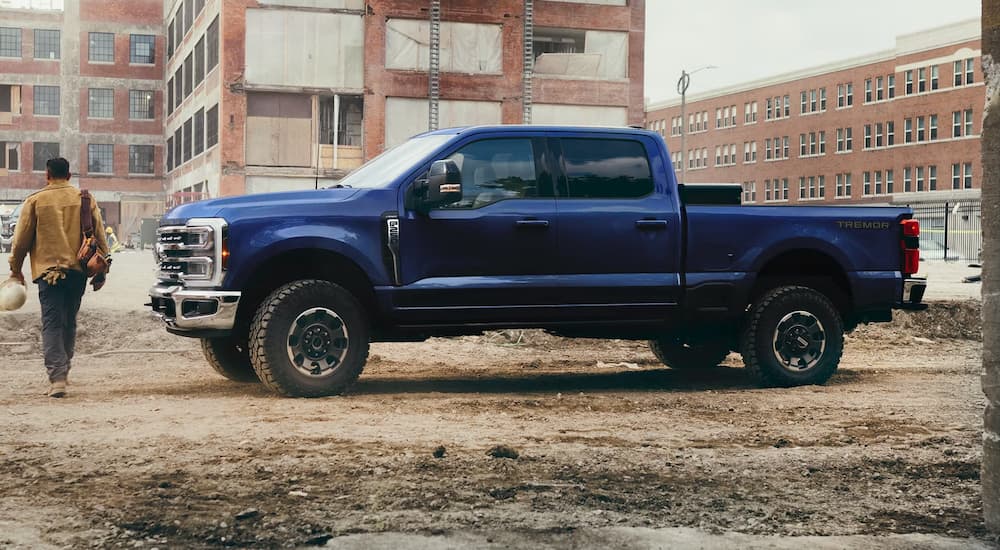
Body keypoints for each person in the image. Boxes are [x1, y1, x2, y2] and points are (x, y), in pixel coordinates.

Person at [9, 158, 109, 398]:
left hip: (48, 275)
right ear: (69, 175)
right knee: (69, 322)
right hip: (77, 273)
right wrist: (102, 270)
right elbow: (100, 238)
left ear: (47, 175)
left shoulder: (35, 200)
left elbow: (21, 241)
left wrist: (16, 269)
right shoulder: (85, 199)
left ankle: (57, 378)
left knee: (52, 324)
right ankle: (64, 371)